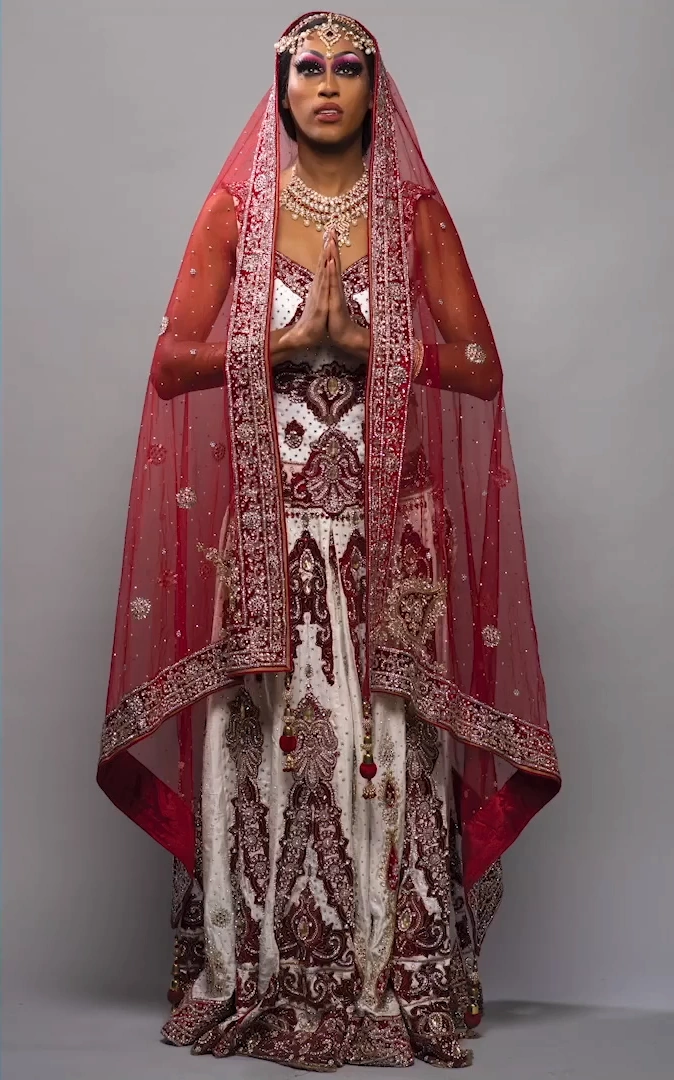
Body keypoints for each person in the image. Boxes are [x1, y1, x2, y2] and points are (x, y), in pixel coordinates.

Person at [98, 12, 561, 1070]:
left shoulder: (410, 215)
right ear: (282, 85)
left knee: (386, 740)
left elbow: (479, 364)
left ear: (370, 90)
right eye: (307, 68)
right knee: (267, 738)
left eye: (348, 70)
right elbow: (170, 362)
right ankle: (257, 966)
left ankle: (391, 971)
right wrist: (282, 344)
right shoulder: (238, 211)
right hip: (271, 536)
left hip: (384, 535)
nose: (326, 86)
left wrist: (367, 345)